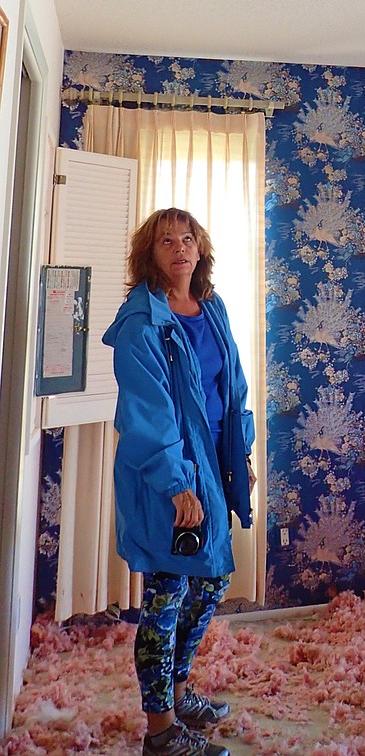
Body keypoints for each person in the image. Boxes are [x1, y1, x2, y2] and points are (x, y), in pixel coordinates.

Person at [104, 208, 256, 756]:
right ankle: (160, 731)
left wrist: (240, 457)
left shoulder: (211, 309)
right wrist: (176, 484)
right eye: (166, 241)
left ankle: (179, 689)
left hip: (213, 467)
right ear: (151, 254)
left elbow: (233, 387)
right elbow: (149, 414)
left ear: (200, 249)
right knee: (168, 592)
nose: (179, 249)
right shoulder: (142, 324)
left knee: (211, 582)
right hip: (170, 473)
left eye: (187, 239)